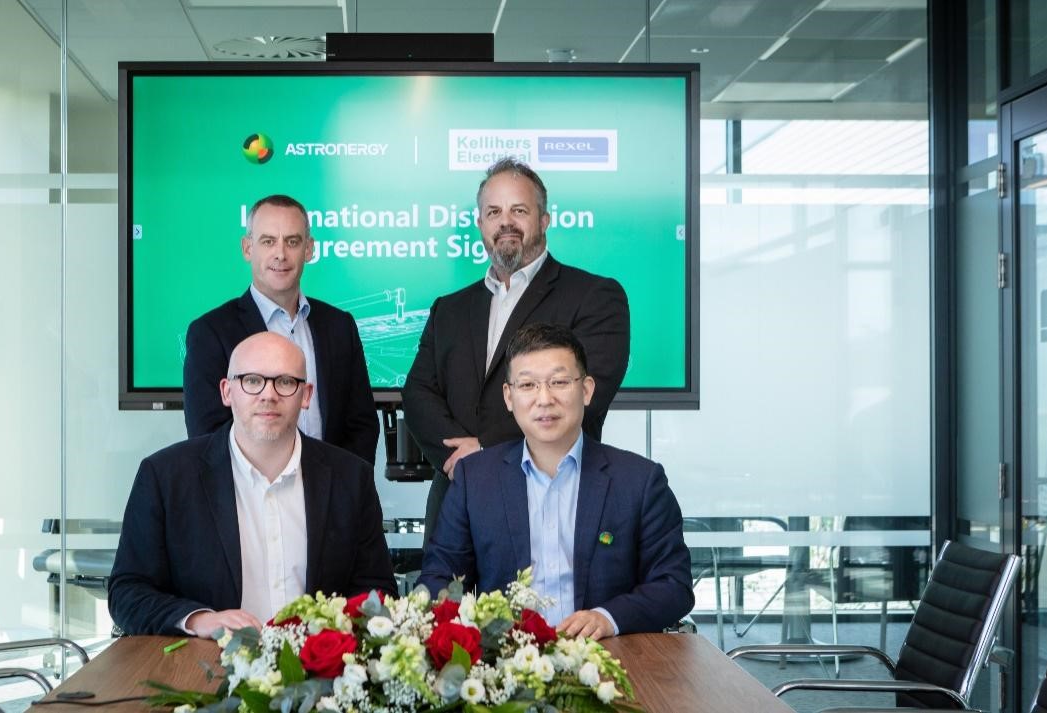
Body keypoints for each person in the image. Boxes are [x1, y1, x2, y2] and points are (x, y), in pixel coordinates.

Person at [110, 332, 396, 637]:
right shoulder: (165, 476)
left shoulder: (351, 478)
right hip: (205, 661)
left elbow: (377, 592)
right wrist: (199, 620)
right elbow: (128, 592)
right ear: (227, 391)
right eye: (252, 380)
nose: (268, 395)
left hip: (317, 663)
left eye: (285, 382)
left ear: (306, 395)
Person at [402, 158, 629, 539]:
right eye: (494, 212)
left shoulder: (594, 297)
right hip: (456, 503)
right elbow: (418, 393)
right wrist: (462, 460)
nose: (505, 222)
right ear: (480, 224)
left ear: (544, 220)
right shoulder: (449, 309)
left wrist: (485, 452)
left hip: (552, 499)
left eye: (519, 210)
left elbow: (582, 396)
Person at [417, 323, 691, 638]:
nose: (544, 399)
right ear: (509, 396)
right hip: (506, 658)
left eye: (559, 382)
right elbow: (438, 578)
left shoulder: (639, 481)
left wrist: (607, 618)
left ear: (586, 390)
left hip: (609, 655)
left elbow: (674, 585)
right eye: (528, 385)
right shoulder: (475, 479)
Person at [183, 194, 379, 464]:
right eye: (268, 241)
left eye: (292, 242)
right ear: (247, 248)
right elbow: (208, 436)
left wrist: (344, 483)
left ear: (309, 249)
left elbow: (362, 424)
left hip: (330, 488)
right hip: (247, 489)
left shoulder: (339, 326)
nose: (281, 253)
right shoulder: (210, 333)